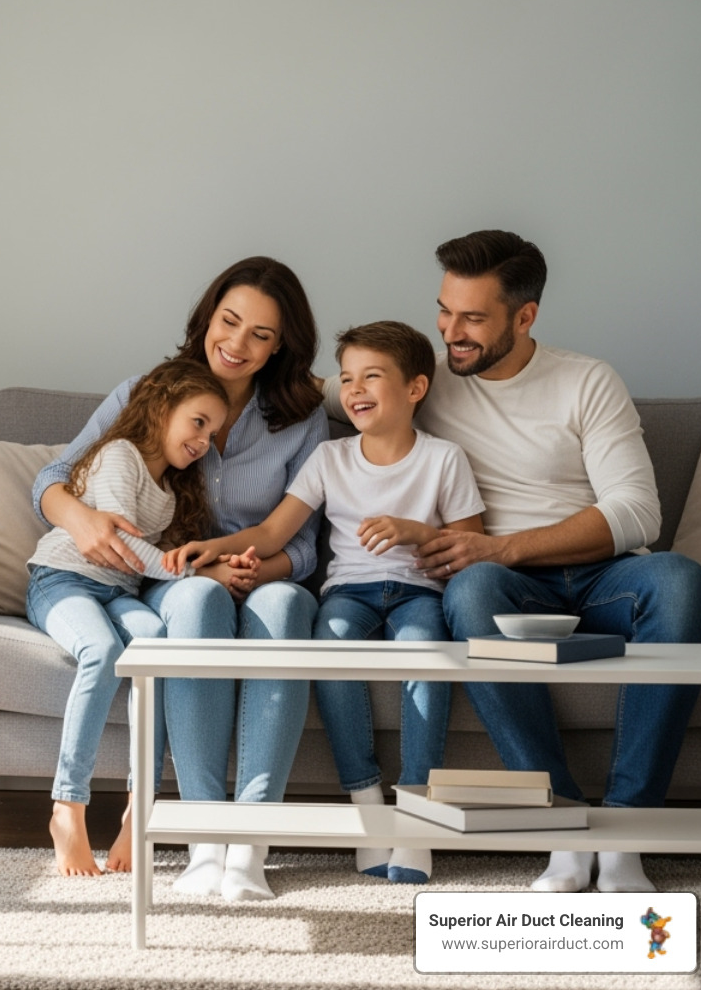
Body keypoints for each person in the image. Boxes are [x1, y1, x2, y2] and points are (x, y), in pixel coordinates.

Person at [404, 230, 701, 893]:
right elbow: (320, 390)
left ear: (524, 316)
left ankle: (627, 832)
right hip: (507, 586)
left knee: (682, 580)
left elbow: (637, 512)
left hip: (606, 575)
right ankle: (561, 826)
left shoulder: (586, 380)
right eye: (444, 311)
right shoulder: (422, 382)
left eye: (472, 318)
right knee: (469, 590)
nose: (451, 332)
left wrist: (502, 545)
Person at [33, 256, 328, 900]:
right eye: (229, 321)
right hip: (173, 572)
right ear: (208, 316)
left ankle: (249, 848)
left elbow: (304, 546)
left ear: (281, 347)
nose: (237, 344)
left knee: (284, 607)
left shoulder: (302, 417)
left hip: (263, 572)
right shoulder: (148, 391)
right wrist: (82, 520)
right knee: (196, 601)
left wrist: (258, 567)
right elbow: (53, 478)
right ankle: (202, 840)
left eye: (261, 335)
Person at [170, 321, 484, 885]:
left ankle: (418, 816)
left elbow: (470, 545)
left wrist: (415, 532)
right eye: (347, 378)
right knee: (331, 649)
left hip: (419, 592)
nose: (355, 389)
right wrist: (213, 549)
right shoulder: (329, 457)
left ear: (415, 388)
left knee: (426, 655)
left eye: (372, 377)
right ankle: (368, 808)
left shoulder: (444, 458)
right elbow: (273, 532)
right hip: (348, 594)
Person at [26, 359, 231, 876]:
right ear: (162, 408)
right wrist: (196, 572)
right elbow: (119, 545)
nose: (204, 441)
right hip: (63, 580)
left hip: (116, 591)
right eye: (198, 422)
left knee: (155, 643)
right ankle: (67, 807)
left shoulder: (172, 491)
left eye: (213, 433)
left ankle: (140, 808)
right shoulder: (119, 454)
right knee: (103, 650)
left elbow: (142, 563)